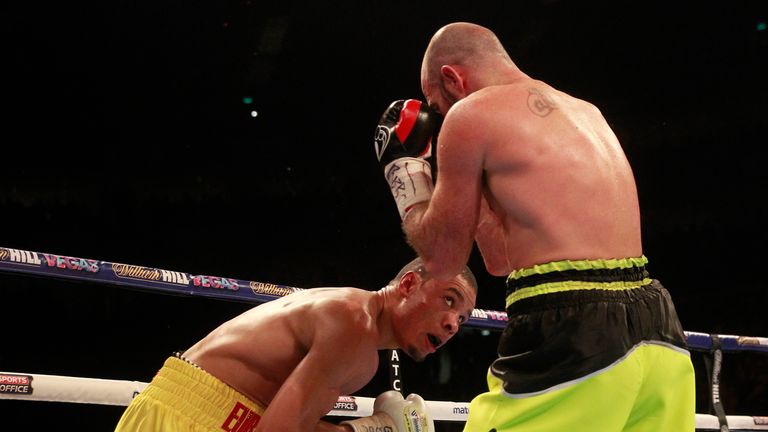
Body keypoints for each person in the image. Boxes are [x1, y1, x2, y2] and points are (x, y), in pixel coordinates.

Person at [374, 22, 695, 431]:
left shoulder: (472, 114)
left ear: (452, 78)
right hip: (659, 330)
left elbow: (440, 260)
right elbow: (500, 261)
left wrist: (408, 179)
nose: (440, 118)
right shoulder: (585, 112)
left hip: (575, 333)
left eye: (437, 106)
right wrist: (469, 192)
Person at [114, 257, 477, 432]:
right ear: (409, 284)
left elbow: (282, 422)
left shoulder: (355, 323)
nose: (452, 324)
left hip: (195, 411)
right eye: (449, 300)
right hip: (191, 419)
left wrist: (370, 427)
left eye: (462, 318)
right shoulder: (354, 326)